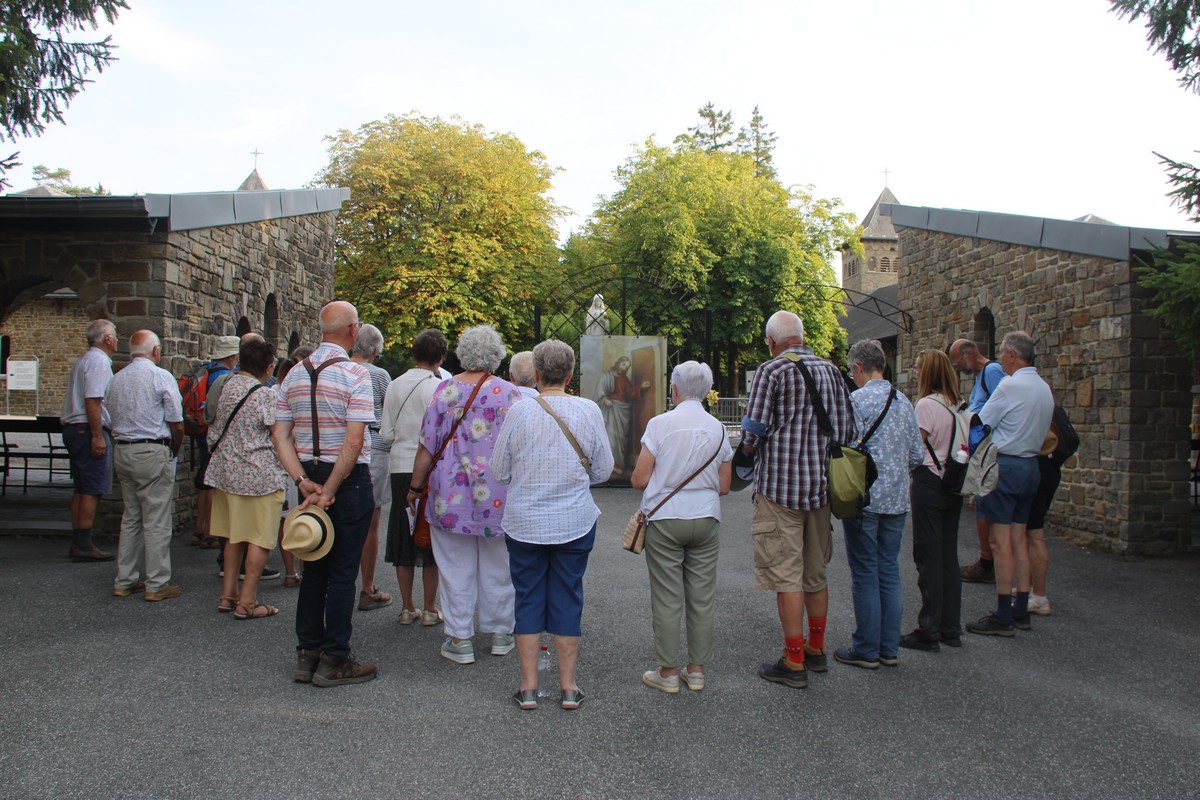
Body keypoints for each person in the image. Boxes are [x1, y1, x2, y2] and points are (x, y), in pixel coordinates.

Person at [491, 339, 614, 710]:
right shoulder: (588, 410)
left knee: (527, 596)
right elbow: (603, 470)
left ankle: (528, 688)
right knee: (568, 595)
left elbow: (499, 471)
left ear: (537, 374)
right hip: (574, 520)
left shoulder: (518, 411)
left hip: (524, 521)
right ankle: (568, 687)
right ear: (570, 375)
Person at [740, 311, 855, 689]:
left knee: (786, 575)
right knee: (815, 574)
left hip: (779, 490)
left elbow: (753, 431)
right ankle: (816, 648)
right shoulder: (832, 371)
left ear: (771, 342)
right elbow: (847, 431)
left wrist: (747, 455)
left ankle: (793, 662)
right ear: (802, 337)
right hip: (821, 490)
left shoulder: (771, 371)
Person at [274, 301, 378, 687]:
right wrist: (329, 490)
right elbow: (353, 442)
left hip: (310, 476)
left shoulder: (293, 374)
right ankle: (335, 656)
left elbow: (280, 435)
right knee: (343, 571)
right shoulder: (355, 374)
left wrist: (302, 481)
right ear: (352, 330)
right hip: (345, 481)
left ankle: (307, 652)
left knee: (313, 565)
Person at [406, 325, 522, 666]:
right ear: (497, 356)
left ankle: (460, 638)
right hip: (498, 495)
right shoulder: (509, 394)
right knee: (500, 566)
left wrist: (414, 488)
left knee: (455, 567)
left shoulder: (445, 391)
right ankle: (501, 633)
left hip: (450, 496)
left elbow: (427, 447)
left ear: (461, 354)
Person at [629, 360, 732, 694]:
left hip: (665, 519)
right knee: (702, 596)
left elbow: (640, 479)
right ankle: (697, 670)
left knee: (667, 596)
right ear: (706, 390)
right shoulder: (719, 428)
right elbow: (724, 485)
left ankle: (668, 672)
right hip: (706, 517)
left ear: (674, 389)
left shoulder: (660, 424)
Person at [834, 340, 922, 670]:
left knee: (865, 572)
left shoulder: (856, 401)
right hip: (897, 500)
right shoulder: (904, 402)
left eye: (851, 371)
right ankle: (888, 648)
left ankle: (867, 648)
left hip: (865, 497)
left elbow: (842, 444)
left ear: (858, 368)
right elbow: (917, 455)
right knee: (889, 570)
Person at [966, 331, 1054, 637]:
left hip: (1005, 464)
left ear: (1014, 355)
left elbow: (981, 423)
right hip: (1031, 465)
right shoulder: (1043, 388)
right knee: (1019, 538)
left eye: (1003, 352)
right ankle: (1020, 608)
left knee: (999, 541)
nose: (1000, 358)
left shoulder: (1009, 385)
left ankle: (1003, 614)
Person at [205, 334, 290, 619]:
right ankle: (248, 601)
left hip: (225, 472)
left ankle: (228, 595)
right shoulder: (265, 395)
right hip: (259, 475)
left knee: (234, 536)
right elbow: (278, 436)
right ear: (268, 367)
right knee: (259, 538)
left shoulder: (223, 386)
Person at [105, 330, 185, 602]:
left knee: (131, 517)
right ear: (156, 351)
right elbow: (176, 421)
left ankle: (124, 579)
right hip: (151, 448)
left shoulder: (116, 379)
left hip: (123, 449)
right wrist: (173, 451)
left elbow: (109, 415)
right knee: (156, 519)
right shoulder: (159, 376)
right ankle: (157, 583)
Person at [902, 349, 967, 652]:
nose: (915, 372)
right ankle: (950, 627)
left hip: (929, 481)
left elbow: (916, 448)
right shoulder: (957, 404)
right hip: (952, 481)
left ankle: (929, 628)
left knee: (928, 555)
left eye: (918, 368)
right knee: (948, 556)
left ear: (926, 372)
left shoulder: (926, 405)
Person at [380, 329, 446, 626]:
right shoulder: (439, 387)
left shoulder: (394, 385)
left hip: (399, 466)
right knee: (429, 535)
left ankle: (407, 606)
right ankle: (430, 608)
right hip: (429, 468)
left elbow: (386, 433)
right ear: (440, 357)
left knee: (402, 535)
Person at [948, 338, 1007, 584]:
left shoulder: (991, 372)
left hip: (989, 451)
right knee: (982, 506)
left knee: (985, 505)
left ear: (970, 353)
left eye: (958, 362)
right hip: (983, 449)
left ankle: (987, 563)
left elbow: (1005, 404)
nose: (958, 368)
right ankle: (988, 561)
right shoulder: (983, 375)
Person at [60, 319, 118, 563]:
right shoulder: (99, 362)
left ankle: (79, 541)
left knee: (82, 487)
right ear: (106, 339)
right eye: (114, 335)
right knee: (92, 489)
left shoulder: (84, 360)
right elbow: (93, 399)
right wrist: (97, 436)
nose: (117, 339)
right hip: (87, 429)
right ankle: (84, 545)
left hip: (76, 429)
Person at [349, 323, 394, 612]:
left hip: (340, 446)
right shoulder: (379, 375)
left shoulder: (338, 369)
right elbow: (388, 411)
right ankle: (367, 586)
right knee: (371, 520)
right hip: (374, 447)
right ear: (376, 349)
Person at [191, 335, 240, 550]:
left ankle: (199, 528)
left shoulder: (205, 371)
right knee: (212, 483)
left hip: (202, 431)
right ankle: (210, 532)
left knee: (204, 481)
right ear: (232, 357)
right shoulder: (224, 377)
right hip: (217, 435)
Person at [274, 346, 311, 588]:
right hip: (297, 461)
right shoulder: (302, 391)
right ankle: (304, 568)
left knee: (287, 518)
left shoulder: (275, 392)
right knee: (302, 515)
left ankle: (290, 571)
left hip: (281, 462)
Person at [595, 354, 650, 478]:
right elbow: (600, 391)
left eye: (627, 366)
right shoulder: (606, 376)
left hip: (623, 411)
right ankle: (611, 463)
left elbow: (629, 393)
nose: (625, 367)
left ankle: (619, 463)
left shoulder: (625, 379)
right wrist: (604, 399)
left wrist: (641, 387)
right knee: (611, 437)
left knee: (621, 439)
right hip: (611, 410)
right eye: (624, 364)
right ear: (618, 363)